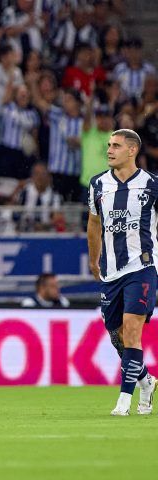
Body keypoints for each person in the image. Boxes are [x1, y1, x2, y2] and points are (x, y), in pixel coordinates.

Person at [87, 128, 158, 416]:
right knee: (118, 337)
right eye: (108, 145)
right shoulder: (97, 184)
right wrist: (94, 260)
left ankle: (124, 401)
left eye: (116, 145)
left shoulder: (152, 185)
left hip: (142, 267)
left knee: (132, 328)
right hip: (110, 271)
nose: (109, 150)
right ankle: (147, 381)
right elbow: (94, 224)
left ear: (132, 150)